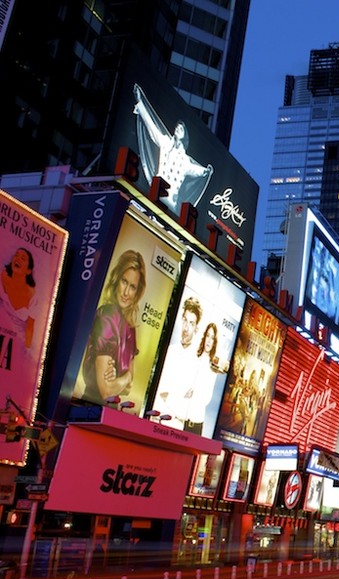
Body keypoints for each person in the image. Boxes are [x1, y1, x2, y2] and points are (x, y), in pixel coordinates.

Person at [133, 83, 214, 214]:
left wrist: (206, 171)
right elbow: (152, 127)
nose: (177, 128)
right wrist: (141, 103)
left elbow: (197, 171)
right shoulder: (166, 142)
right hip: (156, 188)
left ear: (184, 135)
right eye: (177, 126)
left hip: (171, 200)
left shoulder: (186, 161)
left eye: (181, 128)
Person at [81, 250, 146, 403]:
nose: (126, 292)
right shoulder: (107, 315)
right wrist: (126, 377)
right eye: (124, 281)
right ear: (117, 280)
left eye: (132, 287)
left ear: (137, 292)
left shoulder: (130, 326)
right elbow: (106, 390)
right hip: (89, 409)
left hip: (111, 411)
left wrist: (124, 379)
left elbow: (129, 387)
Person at [156, 296, 206, 433]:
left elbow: (191, 407)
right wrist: (179, 397)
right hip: (155, 422)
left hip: (178, 430)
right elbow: (159, 393)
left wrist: (169, 397)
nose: (186, 327)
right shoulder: (169, 351)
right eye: (185, 320)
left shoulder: (198, 362)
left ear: (196, 328)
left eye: (191, 323)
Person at [0, 247, 38, 352]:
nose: (17, 258)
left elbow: (30, 328)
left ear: (28, 271)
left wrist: (25, 351)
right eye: (16, 255)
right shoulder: (3, 278)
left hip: (19, 344)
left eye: (23, 258)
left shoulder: (33, 296)